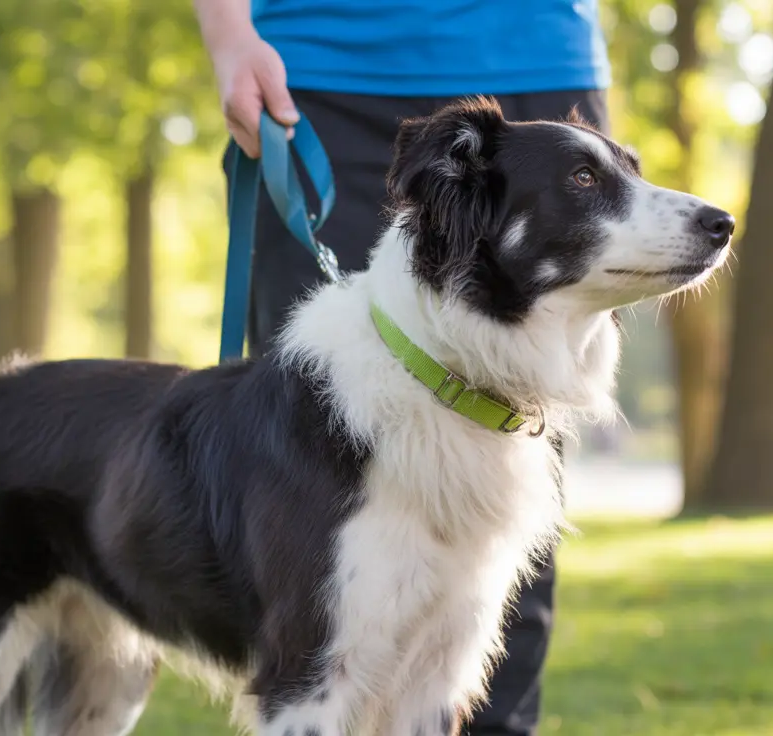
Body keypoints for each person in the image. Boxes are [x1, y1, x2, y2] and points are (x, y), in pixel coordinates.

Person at [192, 0, 612, 732]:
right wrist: (230, 37)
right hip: (315, 71)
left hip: (533, 55)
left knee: (506, 481)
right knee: (297, 488)